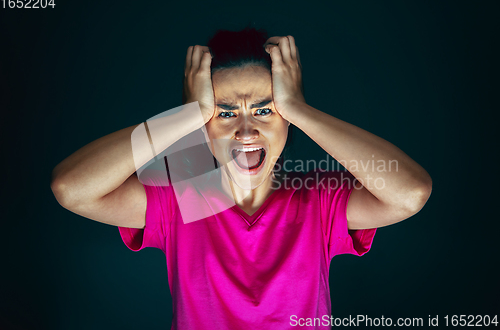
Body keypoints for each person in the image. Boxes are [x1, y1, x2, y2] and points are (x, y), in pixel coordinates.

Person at [51, 26, 432, 329]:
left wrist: (298, 107)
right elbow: (71, 189)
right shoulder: (183, 200)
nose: (246, 132)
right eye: (225, 113)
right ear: (203, 124)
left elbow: (410, 193)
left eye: (266, 110)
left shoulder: (318, 200)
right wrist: (186, 115)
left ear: (289, 120)